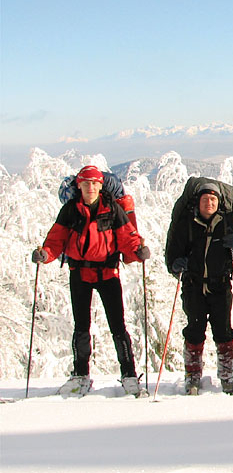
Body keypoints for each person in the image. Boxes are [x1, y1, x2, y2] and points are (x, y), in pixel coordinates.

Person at [32, 165, 150, 396]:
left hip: (107, 272)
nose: (91, 188)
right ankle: (81, 374)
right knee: (81, 326)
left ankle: (128, 375)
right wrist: (45, 254)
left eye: (95, 183)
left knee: (118, 326)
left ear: (100, 186)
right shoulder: (70, 210)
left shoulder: (112, 209)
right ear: (80, 186)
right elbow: (56, 239)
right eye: (87, 184)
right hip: (80, 273)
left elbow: (126, 237)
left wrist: (137, 251)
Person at [165, 182, 233, 395]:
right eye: (205, 199)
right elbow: (173, 253)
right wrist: (176, 263)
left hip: (220, 286)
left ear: (219, 202)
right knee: (194, 331)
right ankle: (193, 378)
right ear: (199, 202)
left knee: (224, 332)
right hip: (193, 287)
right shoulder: (187, 224)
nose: (209, 203)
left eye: (213, 199)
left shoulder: (227, 224)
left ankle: (228, 378)